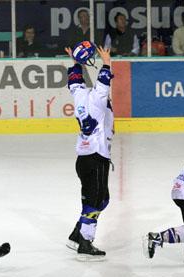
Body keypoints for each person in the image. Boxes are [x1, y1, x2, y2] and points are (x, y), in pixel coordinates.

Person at [64, 42, 115, 260]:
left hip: (83, 159)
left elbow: (74, 81)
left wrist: (75, 63)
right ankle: (85, 242)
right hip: (97, 158)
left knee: (96, 199)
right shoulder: (97, 99)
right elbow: (103, 82)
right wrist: (106, 63)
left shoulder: (80, 96)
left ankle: (77, 233)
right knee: (97, 200)